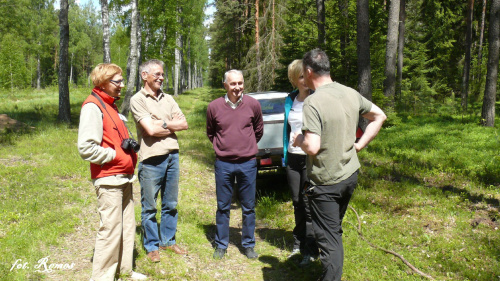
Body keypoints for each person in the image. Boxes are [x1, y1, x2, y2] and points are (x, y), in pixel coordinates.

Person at [293, 49, 387, 281]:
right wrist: (360, 144)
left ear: (308, 71)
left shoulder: (313, 102)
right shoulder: (350, 93)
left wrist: (299, 140)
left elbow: (313, 147)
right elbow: (380, 116)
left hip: (326, 182)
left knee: (329, 239)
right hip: (350, 175)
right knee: (332, 230)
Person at [78, 63, 147, 281]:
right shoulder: (92, 107)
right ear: (103, 83)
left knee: (126, 227)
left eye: (121, 81)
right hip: (109, 179)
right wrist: (115, 155)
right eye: (117, 81)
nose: (122, 85)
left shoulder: (110, 105)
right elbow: (86, 147)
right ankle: (102, 277)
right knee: (110, 230)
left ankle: (124, 270)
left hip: (124, 178)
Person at [130, 59, 189, 263]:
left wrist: (161, 122)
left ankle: (168, 240)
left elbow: (184, 124)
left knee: (171, 203)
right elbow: (150, 130)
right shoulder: (137, 99)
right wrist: (168, 126)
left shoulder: (168, 98)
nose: (161, 78)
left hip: (172, 155)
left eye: (163, 74)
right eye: (157, 74)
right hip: (151, 159)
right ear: (144, 75)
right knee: (149, 206)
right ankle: (152, 246)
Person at [206, 69, 264, 260]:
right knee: (223, 206)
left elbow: (258, 130)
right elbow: (211, 132)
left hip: (247, 163)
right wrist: (223, 147)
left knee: (248, 207)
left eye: (240, 83)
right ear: (225, 85)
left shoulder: (253, 105)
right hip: (223, 163)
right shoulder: (214, 107)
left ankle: (248, 245)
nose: (237, 87)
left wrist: (246, 147)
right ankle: (221, 245)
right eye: (233, 84)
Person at [283, 59, 319, 266]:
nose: (305, 80)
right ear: (294, 79)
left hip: (310, 159)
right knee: (297, 202)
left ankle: (311, 249)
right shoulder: (290, 100)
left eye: (307, 75)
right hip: (292, 157)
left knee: (308, 203)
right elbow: (286, 129)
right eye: (301, 76)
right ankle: (297, 244)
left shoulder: (317, 99)